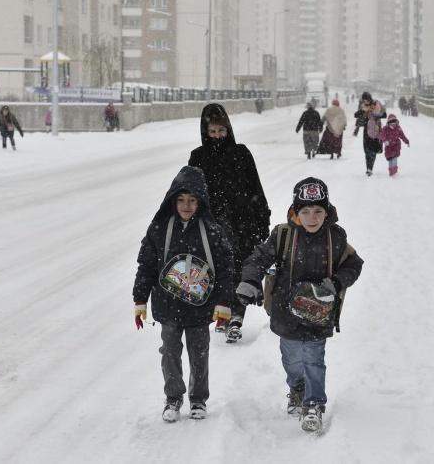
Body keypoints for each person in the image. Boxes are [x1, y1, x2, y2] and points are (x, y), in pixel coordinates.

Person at [235, 177, 364, 433]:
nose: (312, 217)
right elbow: (258, 258)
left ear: (326, 212)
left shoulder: (335, 237)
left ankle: (314, 403)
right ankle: (297, 388)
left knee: (314, 360)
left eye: (318, 211)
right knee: (292, 359)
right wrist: (250, 280)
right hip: (286, 313)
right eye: (305, 211)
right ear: (295, 212)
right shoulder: (282, 235)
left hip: (319, 312)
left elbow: (354, 263)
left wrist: (337, 282)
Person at [132, 166, 235, 423]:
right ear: (172, 200)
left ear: (200, 201)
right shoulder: (159, 228)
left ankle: (198, 399)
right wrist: (140, 299)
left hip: (201, 306)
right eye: (181, 200)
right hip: (168, 305)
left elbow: (224, 268)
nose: (186, 205)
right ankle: (173, 398)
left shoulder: (212, 230)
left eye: (192, 200)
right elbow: (146, 265)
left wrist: (224, 302)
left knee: (199, 353)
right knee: (170, 351)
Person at [188, 103, 271, 343]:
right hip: (211, 223)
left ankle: (236, 317)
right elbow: (191, 191)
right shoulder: (198, 156)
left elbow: (255, 185)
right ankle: (222, 312)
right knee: (216, 270)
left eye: (221, 132)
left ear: (228, 130)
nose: (217, 137)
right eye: (212, 132)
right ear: (206, 132)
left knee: (239, 269)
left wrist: (261, 217)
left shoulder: (241, 153)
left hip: (242, 222)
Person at [353, 92, 387, 176]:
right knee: (367, 150)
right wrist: (363, 111)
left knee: (373, 150)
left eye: (366, 100)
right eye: (364, 100)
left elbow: (384, 114)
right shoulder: (363, 106)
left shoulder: (376, 104)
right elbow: (356, 115)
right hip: (366, 130)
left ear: (369, 98)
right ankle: (368, 168)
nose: (365, 102)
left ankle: (370, 168)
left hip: (376, 129)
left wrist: (375, 114)